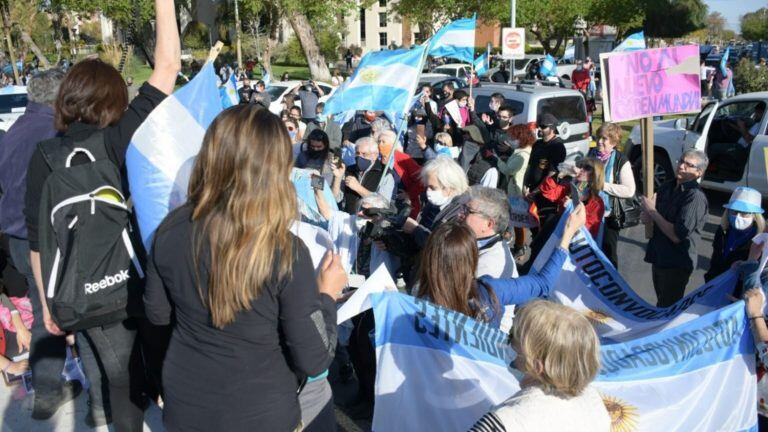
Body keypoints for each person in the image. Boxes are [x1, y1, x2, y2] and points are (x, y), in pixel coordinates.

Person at [23, 1, 181, 430]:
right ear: (113, 98)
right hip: (130, 286)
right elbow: (167, 67)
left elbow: (39, 241)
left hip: (78, 296)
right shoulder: (117, 141)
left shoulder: (44, 156)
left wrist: (50, 306)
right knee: (148, 378)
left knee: (111, 385)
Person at [144, 105, 345, 431]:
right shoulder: (285, 251)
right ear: (275, 169)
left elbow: (157, 317)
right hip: (261, 412)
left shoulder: (169, 230)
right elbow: (315, 358)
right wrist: (326, 295)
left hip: (187, 403)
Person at [0, 68, 82, 420]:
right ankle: (49, 390)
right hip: (43, 239)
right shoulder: (55, 134)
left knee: (44, 307)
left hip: (15, 238)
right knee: (50, 313)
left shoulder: (12, 132)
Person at [417, 204, 586, 328]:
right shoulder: (489, 291)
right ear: (471, 256)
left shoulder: (416, 304)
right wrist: (567, 235)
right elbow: (543, 283)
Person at [468, 300, 610, 432]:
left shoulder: (505, 420)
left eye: (514, 338)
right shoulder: (594, 403)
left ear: (537, 366)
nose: (509, 344)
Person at [641, 149, 709, 307]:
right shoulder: (667, 187)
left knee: (667, 308)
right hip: (659, 256)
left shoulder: (694, 197)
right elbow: (655, 216)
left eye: (689, 165)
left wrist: (652, 211)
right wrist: (647, 217)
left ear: (699, 172)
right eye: (681, 161)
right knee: (660, 303)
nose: (682, 166)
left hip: (676, 262)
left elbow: (677, 235)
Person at [591, 123, 636, 268]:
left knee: (608, 255)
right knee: (590, 253)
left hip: (610, 216)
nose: (599, 141)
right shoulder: (591, 154)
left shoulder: (621, 161)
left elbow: (629, 190)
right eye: (598, 137)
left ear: (614, 142)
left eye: (604, 139)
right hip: (589, 213)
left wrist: (603, 186)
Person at [402, 156, 469, 249]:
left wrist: (416, 230)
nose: (428, 191)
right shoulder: (432, 203)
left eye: (433, 188)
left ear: (449, 187)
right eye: (427, 187)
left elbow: (443, 250)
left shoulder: (460, 215)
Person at [704, 187, 765, 282]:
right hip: (715, 283)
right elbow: (715, 260)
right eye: (734, 211)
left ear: (755, 216)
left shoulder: (760, 240)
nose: (738, 217)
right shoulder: (723, 230)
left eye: (744, 213)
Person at [494, 123, 535, 258]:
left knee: (518, 222)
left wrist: (497, 159)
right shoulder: (526, 150)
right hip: (517, 190)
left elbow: (508, 170)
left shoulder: (521, 155)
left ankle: (519, 247)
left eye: (512, 137)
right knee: (517, 220)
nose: (510, 139)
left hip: (515, 191)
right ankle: (518, 246)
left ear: (520, 138)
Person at [462, 186, 518, 279]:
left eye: (468, 211)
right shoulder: (483, 243)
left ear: (488, 224)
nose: (460, 214)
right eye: (463, 207)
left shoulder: (486, 270)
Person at [524, 113, 567, 232]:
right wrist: (525, 186)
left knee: (545, 228)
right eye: (539, 125)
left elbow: (551, 175)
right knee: (533, 226)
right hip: (532, 192)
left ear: (552, 128)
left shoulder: (557, 147)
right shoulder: (537, 144)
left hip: (545, 195)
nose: (539, 129)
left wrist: (536, 191)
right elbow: (530, 166)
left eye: (543, 126)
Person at [334, 136, 395, 213]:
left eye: (364, 154)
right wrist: (337, 178)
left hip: (368, 220)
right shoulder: (349, 170)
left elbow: (383, 204)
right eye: (357, 153)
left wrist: (358, 188)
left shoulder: (385, 174)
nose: (359, 157)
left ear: (375, 155)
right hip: (347, 217)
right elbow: (336, 198)